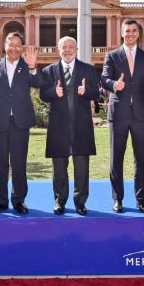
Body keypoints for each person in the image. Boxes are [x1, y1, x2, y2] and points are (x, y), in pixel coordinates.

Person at [0, 32, 43, 214]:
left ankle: (18, 199)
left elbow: (39, 83)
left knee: (19, 162)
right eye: (11, 44)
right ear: (4, 45)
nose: (14, 48)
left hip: (20, 122)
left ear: (22, 48)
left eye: (18, 45)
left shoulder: (27, 66)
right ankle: (0, 199)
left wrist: (33, 68)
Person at [101, 19, 144, 213]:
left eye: (134, 31)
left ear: (138, 34)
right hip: (119, 114)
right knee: (116, 158)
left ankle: (141, 199)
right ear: (122, 33)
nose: (131, 34)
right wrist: (113, 85)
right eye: (127, 31)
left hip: (141, 114)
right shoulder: (112, 55)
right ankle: (118, 199)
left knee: (141, 159)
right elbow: (105, 78)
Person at [39, 36, 99, 215]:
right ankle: (60, 201)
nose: (67, 50)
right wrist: (53, 92)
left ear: (76, 49)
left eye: (71, 47)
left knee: (81, 167)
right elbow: (43, 95)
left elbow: (97, 93)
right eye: (63, 47)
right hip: (58, 126)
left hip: (81, 126)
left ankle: (80, 202)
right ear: (58, 49)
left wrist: (86, 91)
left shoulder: (88, 70)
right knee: (59, 168)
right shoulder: (49, 71)